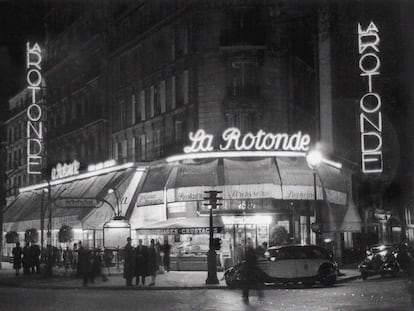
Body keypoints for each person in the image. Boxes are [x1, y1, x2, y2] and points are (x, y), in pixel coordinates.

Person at [242, 238, 264, 304]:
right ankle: (259, 292)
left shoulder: (247, 252)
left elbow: (246, 260)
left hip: (248, 269)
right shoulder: (252, 252)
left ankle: (245, 295)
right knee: (255, 281)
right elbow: (254, 260)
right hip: (252, 269)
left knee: (247, 283)